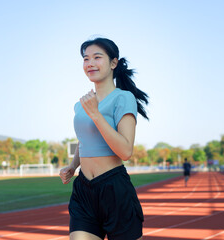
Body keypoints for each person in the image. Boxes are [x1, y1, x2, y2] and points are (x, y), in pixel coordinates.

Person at [59, 37, 148, 240]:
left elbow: (125, 151)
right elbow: (85, 141)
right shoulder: (81, 104)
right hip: (83, 190)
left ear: (113, 63)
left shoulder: (123, 98)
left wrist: (96, 115)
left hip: (114, 189)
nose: (90, 63)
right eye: (86, 58)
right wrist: (73, 167)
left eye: (97, 57)